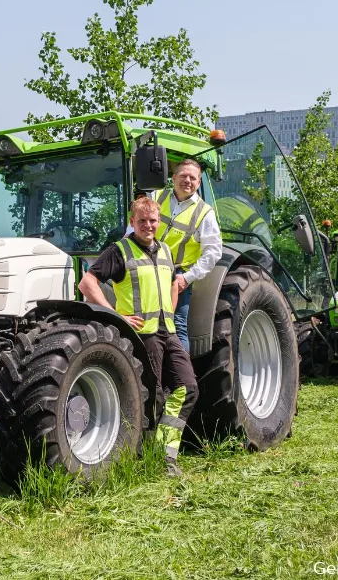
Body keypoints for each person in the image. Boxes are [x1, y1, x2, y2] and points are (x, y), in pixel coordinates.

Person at [78, 197, 199, 477]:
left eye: (153, 220)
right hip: (142, 336)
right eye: (142, 220)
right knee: (152, 396)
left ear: (159, 222)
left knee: (187, 388)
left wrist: (168, 309)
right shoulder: (120, 250)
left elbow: (172, 285)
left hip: (167, 332)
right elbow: (87, 283)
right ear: (132, 222)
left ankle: (164, 452)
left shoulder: (166, 251)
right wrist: (116, 316)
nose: (148, 225)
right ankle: (152, 460)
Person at [148, 158, 222, 352]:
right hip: (148, 268)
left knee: (177, 327)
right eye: (183, 176)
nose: (187, 180)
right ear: (173, 178)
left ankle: (181, 380)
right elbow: (135, 227)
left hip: (177, 276)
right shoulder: (156, 197)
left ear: (198, 182)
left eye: (192, 178)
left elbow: (213, 252)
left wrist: (186, 279)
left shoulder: (205, 213)